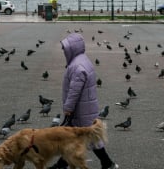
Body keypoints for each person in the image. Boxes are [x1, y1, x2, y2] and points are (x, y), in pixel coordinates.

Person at [49, 32, 118, 169]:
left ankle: (107, 163)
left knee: (78, 139)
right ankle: (106, 163)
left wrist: (68, 108)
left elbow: (75, 91)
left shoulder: (77, 66)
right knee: (81, 139)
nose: (63, 50)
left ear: (72, 48)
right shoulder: (82, 60)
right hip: (85, 108)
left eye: (65, 48)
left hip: (80, 110)